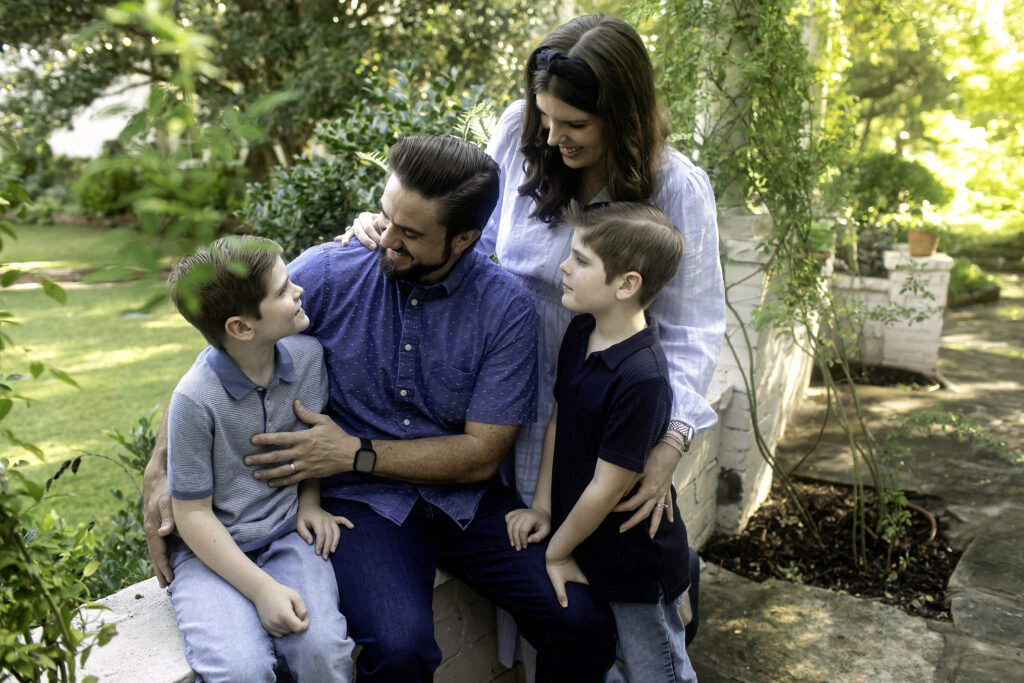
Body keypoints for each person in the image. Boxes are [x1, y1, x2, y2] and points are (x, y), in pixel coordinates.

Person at [144, 135, 617, 682]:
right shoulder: (330, 271)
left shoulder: (506, 309)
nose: (387, 239)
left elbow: (481, 455)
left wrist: (355, 452)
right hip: (361, 506)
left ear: (465, 238)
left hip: (465, 501)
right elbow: (222, 352)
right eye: (387, 217)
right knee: (399, 649)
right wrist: (160, 467)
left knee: (582, 622)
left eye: (410, 233)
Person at [340, 13, 724, 668]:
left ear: (624, 117)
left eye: (574, 124)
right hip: (507, 394)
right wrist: (396, 234)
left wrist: (670, 440)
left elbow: (694, 328)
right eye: (545, 116)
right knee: (548, 570)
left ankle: (669, 608)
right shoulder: (521, 137)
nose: (552, 136)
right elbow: (467, 242)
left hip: (610, 404)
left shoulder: (676, 187)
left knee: (620, 576)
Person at [505, 202, 696, 682]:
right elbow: (560, 421)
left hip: (636, 567)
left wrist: (556, 551)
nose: (564, 267)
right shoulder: (581, 331)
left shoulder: (643, 378)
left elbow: (607, 487)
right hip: (589, 546)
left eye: (581, 260)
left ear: (626, 285)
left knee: (659, 674)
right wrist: (543, 508)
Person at [163, 235, 355, 682]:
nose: (299, 290)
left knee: (324, 652)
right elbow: (191, 514)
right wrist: (263, 590)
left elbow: (310, 444)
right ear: (242, 328)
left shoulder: (308, 358)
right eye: (284, 289)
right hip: (209, 553)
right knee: (241, 670)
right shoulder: (193, 400)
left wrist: (309, 502)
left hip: (287, 534)